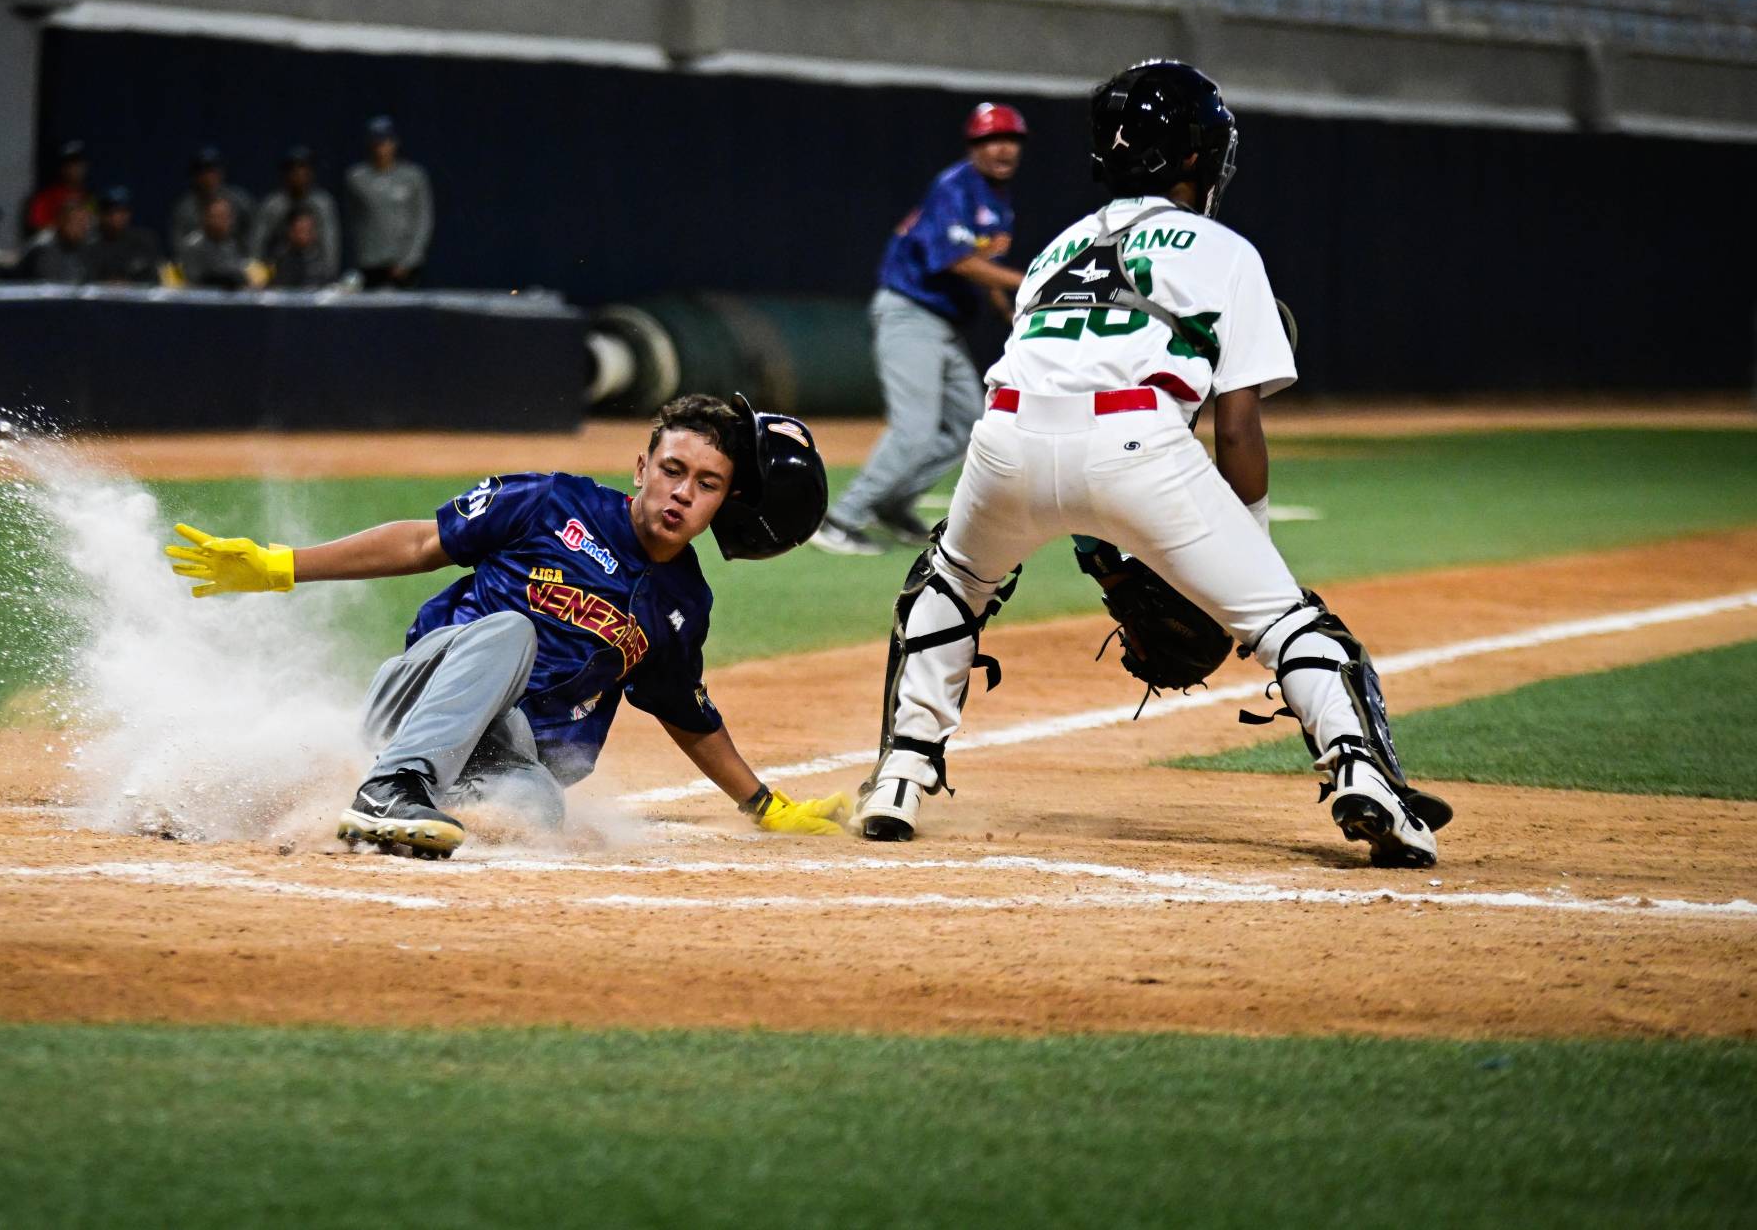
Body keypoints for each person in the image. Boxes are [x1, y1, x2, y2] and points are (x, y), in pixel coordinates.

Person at [851, 60, 1455, 871]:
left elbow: (1060, 443)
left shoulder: (1054, 251)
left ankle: (899, 775)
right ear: (1198, 156)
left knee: (952, 583)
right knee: (1289, 621)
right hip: (1136, 436)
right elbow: (1235, 427)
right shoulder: (1226, 250)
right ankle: (1364, 776)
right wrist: (1248, 546)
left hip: (1003, 439)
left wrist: (1106, 566)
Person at [163, 395, 842, 857]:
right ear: (642, 468)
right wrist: (281, 566)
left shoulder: (682, 601)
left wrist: (764, 804)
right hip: (421, 697)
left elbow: (685, 712)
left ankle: (377, 818)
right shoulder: (552, 501)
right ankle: (389, 788)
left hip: (505, 755)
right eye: (672, 470)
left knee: (538, 807)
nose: (683, 493)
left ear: (721, 503)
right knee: (513, 631)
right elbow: (421, 543)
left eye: (707, 483)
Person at [810, 103, 1027, 556]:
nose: (1002, 148)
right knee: (915, 429)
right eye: (990, 140)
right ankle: (842, 518)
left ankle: (893, 504)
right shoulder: (955, 188)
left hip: (942, 324)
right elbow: (956, 261)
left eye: (1010, 139)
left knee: (968, 424)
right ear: (973, 147)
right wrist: (1028, 281)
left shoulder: (997, 200)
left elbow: (982, 265)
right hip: (910, 314)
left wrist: (1008, 310)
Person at [345, 116, 433, 290]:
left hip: (405, 265)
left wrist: (408, 260)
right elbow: (353, 221)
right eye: (376, 142)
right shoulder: (356, 177)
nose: (381, 148)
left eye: (385, 141)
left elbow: (423, 220)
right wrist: (361, 258)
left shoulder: (413, 177)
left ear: (394, 143)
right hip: (370, 264)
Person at [252, 146, 342, 280]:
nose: (298, 174)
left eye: (303, 169)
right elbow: (258, 242)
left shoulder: (323, 203)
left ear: (311, 172)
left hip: (314, 268)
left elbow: (330, 242)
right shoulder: (273, 205)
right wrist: (256, 275)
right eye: (293, 170)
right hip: (279, 268)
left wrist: (330, 275)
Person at [167, 146, 255, 255]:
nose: (208, 177)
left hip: (235, 259)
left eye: (212, 171)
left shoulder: (239, 201)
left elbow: (254, 236)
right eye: (203, 172)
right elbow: (178, 245)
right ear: (195, 176)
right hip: (198, 260)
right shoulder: (184, 209)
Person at [85, 186, 164, 285]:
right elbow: (85, 280)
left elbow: (158, 275)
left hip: (139, 293)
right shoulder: (91, 244)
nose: (119, 216)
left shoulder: (145, 240)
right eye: (113, 211)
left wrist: (130, 284)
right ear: (102, 215)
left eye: (123, 211)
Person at [177, 196, 258, 290]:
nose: (223, 221)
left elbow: (240, 276)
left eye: (226, 216)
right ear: (205, 218)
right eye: (217, 217)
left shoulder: (233, 244)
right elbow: (194, 282)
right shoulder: (193, 245)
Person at [18, 198, 95, 283]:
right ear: (61, 221)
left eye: (85, 223)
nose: (83, 228)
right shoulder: (42, 248)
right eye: (77, 222)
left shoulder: (89, 249)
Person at [26, 140, 90, 236]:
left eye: (79, 163)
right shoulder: (45, 198)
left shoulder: (90, 198)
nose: (76, 169)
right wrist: (64, 223)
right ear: (62, 168)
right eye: (70, 164)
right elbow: (38, 232)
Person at [266, 204, 338, 288]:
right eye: (301, 230)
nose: (305, 235)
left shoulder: (322, 260)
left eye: (309, 230)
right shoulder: (279, 258)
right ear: (291, 231)